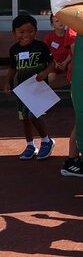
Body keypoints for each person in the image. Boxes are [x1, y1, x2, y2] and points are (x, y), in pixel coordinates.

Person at [4, 14, 56, 160]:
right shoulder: (14, 49)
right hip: (21, 90)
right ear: (14, 33)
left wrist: (45, 72)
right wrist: (7, 82)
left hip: (38, 89)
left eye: (30, 31)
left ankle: (46, 141)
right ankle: (30, 145)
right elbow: (12, 68)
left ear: (36, 30)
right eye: (21, 32)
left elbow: (52, 63)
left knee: (34, 116)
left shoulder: (40, 47)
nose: (26, 35)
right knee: (24, 119)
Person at [44, 14, 83, 177]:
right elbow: (77, 55)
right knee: (82, 120)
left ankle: (79, 158)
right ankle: (72, 160)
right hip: (79, 79)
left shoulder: (75, 31)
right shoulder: (73, 32)